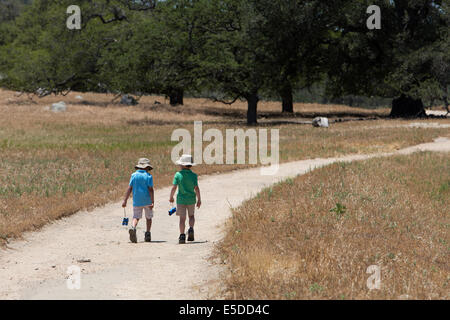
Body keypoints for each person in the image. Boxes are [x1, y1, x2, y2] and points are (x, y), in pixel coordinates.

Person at [169, 155, 202, 244]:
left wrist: (171, 197)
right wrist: (199, 199)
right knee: (191, 216)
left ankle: (182, 235)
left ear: (182, 165)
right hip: (191, 199)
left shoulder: (178, 175)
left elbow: (174, 187)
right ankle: (191, 229)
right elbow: (196, 188)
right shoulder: (194, 175)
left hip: (181, 200)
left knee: (182, 219)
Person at [122, 158, 155, 243]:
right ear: (147, 168)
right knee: (149, 217)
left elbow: (129, 188)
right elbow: (151, 189)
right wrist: (152, 201)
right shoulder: (148, 176)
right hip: (147, 201)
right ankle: (148, 233)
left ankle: (133, 227)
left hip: (137, 201)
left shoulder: (134, 175)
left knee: (136, 216)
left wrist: (125, 200)